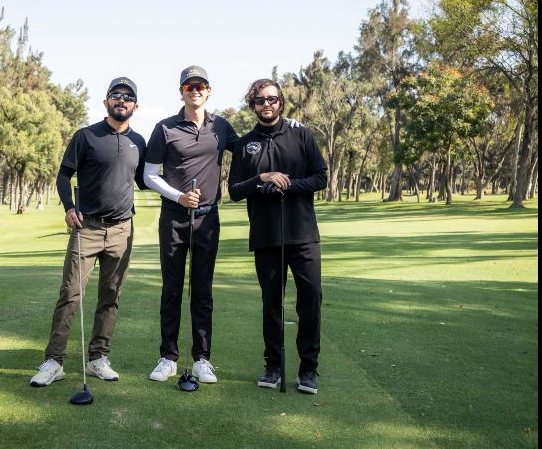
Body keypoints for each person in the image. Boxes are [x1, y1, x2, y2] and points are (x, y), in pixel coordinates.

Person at [30, 77, 147, 387]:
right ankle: (54, 361)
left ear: (135, 106)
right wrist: (69, 207)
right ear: (106, 101)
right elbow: (63, 175)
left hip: (122, 230)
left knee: (111, 296)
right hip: (87, 228)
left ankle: (98, 358)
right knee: (70, 294)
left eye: (128, 97)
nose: (121, 100)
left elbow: (145, 180)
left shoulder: (139, 142)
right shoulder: (86, 136)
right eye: (116, 95)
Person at [227, 78, 327, 394]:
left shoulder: (300, 134)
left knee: (311, 300)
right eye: (260, 100)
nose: (266, 104)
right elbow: (234, 191)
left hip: (303, 234)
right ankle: (273, 366)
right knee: (272, 304)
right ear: (253, 106)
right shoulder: (245, 144)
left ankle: (308, 370)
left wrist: (289, 185)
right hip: (266, 236)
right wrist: (263, 178)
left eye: (272, 99)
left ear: (281, 102)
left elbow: (321, 177)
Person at [143, 65, 239, 384]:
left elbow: (250, 149)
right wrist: (179, 196)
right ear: (181, 92)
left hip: (208, 218)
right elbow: (149, 175)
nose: (195, 90)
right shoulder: (165, 128)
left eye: (200, 86)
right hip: (174, 218)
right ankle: (168, 358)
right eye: (189, 86)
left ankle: (202, 359)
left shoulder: (221, 127)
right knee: (171, 289)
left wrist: (287, 130)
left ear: (209, 91)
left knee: (202, 290)